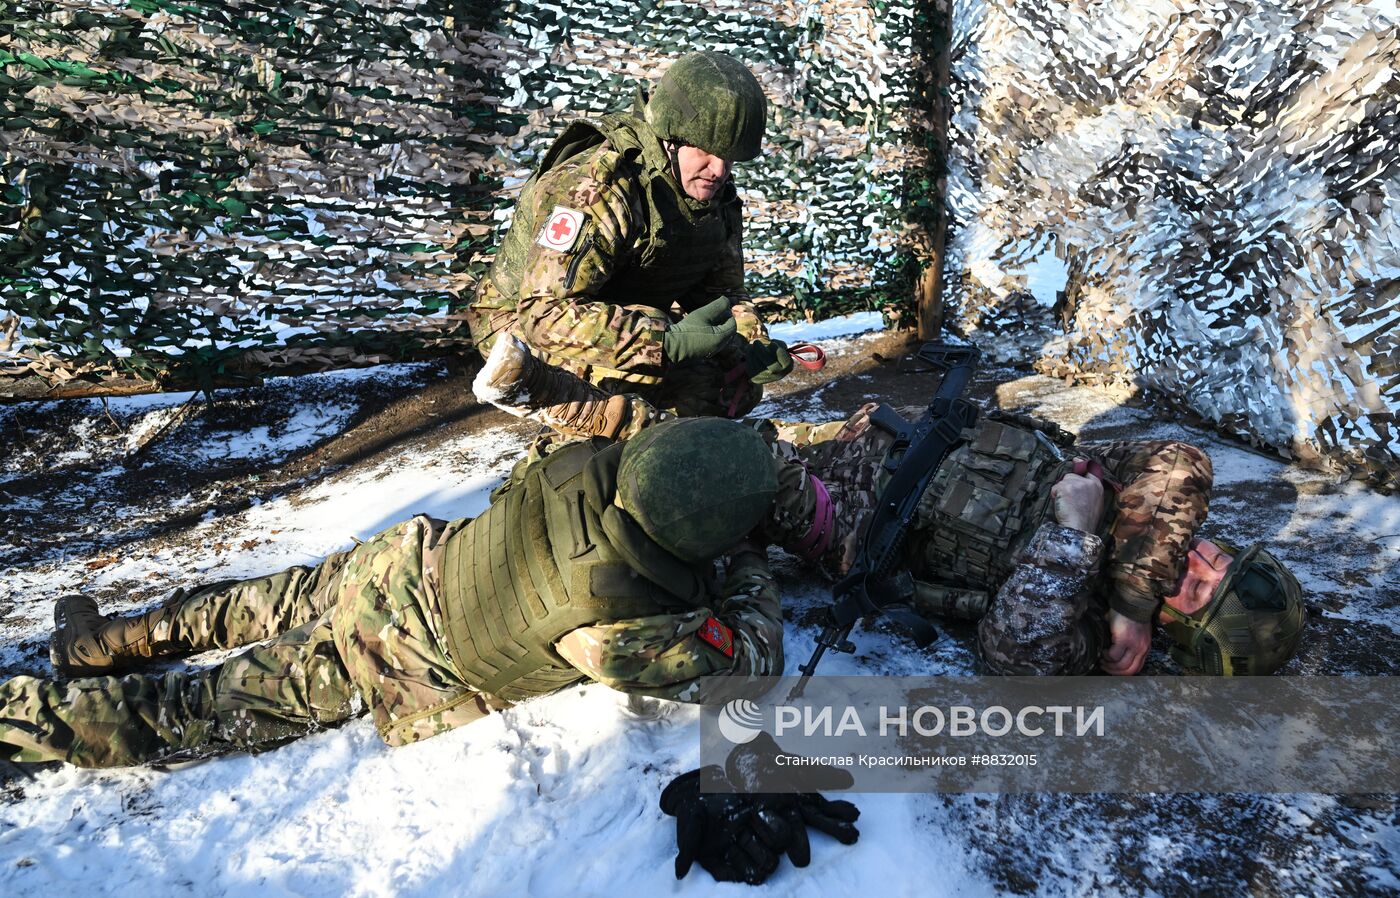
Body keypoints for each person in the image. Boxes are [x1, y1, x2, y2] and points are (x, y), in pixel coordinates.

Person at [474, 339, 1308, 677]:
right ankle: (561, 418)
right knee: (724, 425)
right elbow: (1182, 461)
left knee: (711, 463)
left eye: (1197, 589)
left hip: (850, 521)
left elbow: (1014, 654)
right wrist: (1136, 592)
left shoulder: (1087, 622)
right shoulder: (1151, 528)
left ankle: (553, 404)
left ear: (1181, 636)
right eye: (1216, 556)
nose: (1193, 558)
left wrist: (1073, 534)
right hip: (887, 439)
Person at [0, 419, 788, 768]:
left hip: (401, 561)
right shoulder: (620, 622)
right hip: (391, 654)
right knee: (196, 712)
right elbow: (748, 667)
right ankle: (24, 721)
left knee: (241, 605)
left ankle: (93, 645)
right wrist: (751, 564)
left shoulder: (583, 464)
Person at [465, 50, 795, 433]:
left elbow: (724, 294)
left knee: (724, 380)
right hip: (515, 325)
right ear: (671, 138)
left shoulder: (714, 198)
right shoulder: (597, 186)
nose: (719, 169)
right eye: (704, 150)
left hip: (614, 311)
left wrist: (752, 344)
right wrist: (663, 341)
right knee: (636, 386)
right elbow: (543, 313)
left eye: (729, 156)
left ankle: (658, 427)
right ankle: (596, 429)